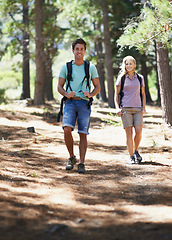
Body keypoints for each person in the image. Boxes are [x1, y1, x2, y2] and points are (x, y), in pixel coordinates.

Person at [58, 38, 100, 173]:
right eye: (77, 49)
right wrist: (66, 94)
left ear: (85, 51)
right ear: (73, 51)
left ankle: (82, 163)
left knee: (83, 133)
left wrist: (91, 94)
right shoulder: (66, 67)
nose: (79, 52)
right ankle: (71, 157)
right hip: (70, 102)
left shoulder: (90, 67)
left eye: (82, 49)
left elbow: (97, 86)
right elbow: (59, 86)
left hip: (84, 104)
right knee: (66, 129)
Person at [115, 56, 146, 164]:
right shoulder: (122, 78)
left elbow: (143, 93)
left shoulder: (140, 78)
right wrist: (117, 108)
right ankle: (131, 156)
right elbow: (117, 94)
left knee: (139, 131)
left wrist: (144, 107)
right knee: (129, 132)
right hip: (126, 109)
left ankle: (136, 150)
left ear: (134, 65)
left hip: (138, 108)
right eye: (126, 64)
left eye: (130, 64)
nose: (128, 66)